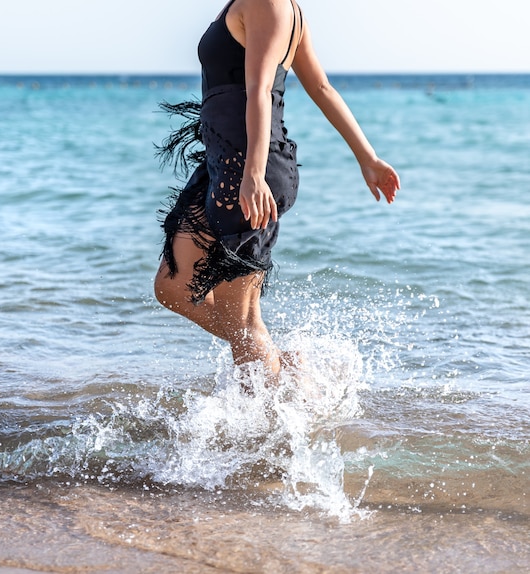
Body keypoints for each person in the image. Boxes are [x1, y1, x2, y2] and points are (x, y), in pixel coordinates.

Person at [154, 0, 400, 377]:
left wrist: (252, 175)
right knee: (173, 286)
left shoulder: (268, 3)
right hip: (223, 163)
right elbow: (320, 87)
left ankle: (266, 427)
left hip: (249, 170)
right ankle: (278, 362)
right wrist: (369, 158)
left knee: (244, 321)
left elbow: (261, 88)